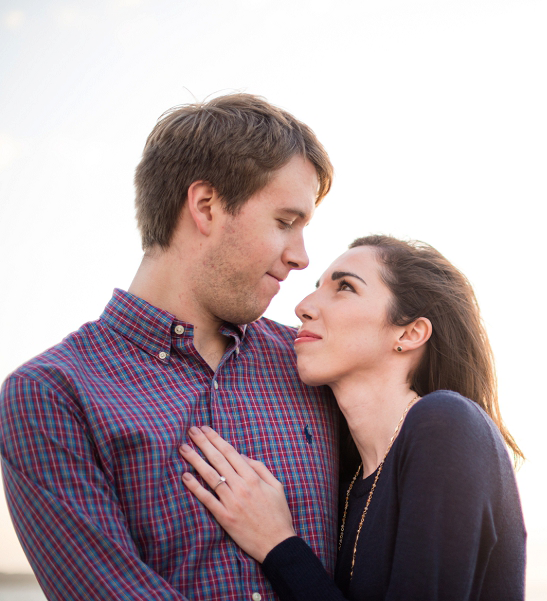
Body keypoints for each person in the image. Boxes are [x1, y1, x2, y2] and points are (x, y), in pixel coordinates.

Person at [0, 93, 339, 600]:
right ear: (206, 206)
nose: (302, 257)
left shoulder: (313, 362)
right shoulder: (51, 394)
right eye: (285, 222)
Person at [179, 235, 527, 600]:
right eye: (317, 288)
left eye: (344, 287)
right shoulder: (346, 482)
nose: (303, 307)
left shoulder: (446, 424)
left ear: (409, 333)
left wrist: (278, 544)